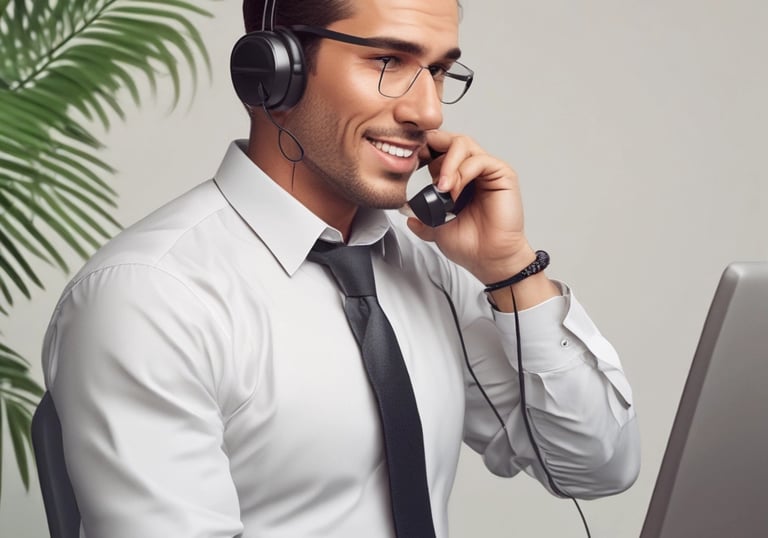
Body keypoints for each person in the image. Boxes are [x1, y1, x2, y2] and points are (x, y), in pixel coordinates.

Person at [41, 0, 640, 536]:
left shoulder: (427, 265)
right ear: (274, 70)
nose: (428, 112)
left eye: (437, 70)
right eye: (389, 61)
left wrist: (511, 270)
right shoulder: (150, 298)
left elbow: (595, 466)